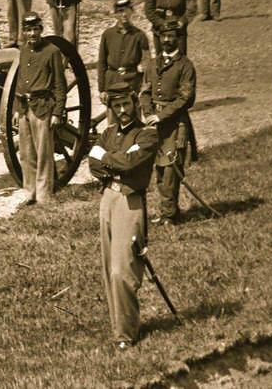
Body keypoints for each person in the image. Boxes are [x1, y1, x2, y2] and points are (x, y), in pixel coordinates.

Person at [87, 86, 159, 350]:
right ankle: (120, 327)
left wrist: (108, 158)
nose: (122, 111)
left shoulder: (148, 134)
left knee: (122, 270)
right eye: (116, 107)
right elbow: (93, 165)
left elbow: (131, 164)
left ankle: (126, 334)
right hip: (108, 199)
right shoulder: (107, 133)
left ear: (135, 104)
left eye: (126, 105)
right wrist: (115, 160)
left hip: (130, 202)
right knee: (108, 269)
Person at [13, 13, 66, 206]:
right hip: (25, 107)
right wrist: (17, 110)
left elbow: (60, 85)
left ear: (41, 29)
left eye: (35, 29)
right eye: (28, 30)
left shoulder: (52, 51)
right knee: (26, 153)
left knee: (44, 153)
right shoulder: (23, 50)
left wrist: (58, 112)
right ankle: (30, 191)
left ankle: (44, 194)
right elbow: (19, 81)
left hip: (43, 107)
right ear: (24, 32)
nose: (32, 33)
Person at [150, 21, 197, 225]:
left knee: (171, 170)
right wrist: (147, 112)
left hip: (175, 124)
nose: (167, 40)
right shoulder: (153, 63)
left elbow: (185, 98)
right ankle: (167, 211)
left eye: (171, 36)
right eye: (163, 36)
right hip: (154, 123)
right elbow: (145, 91)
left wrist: (161, 115)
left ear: (177, 38)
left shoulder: (185, 65)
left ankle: (169, 215)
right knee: (159, 170)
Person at [96, 0, 151, 110]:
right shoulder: (108, 35)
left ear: (132, 12)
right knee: (113, 119)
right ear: (115, 14)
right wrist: (102, 89)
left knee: (134, 118)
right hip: (112, 82)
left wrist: (144, 85)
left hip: (131, 82)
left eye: (127, 10)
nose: (124, 14)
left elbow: (147, 61)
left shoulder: (139, 35)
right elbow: (101, 63)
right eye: (120, 11)